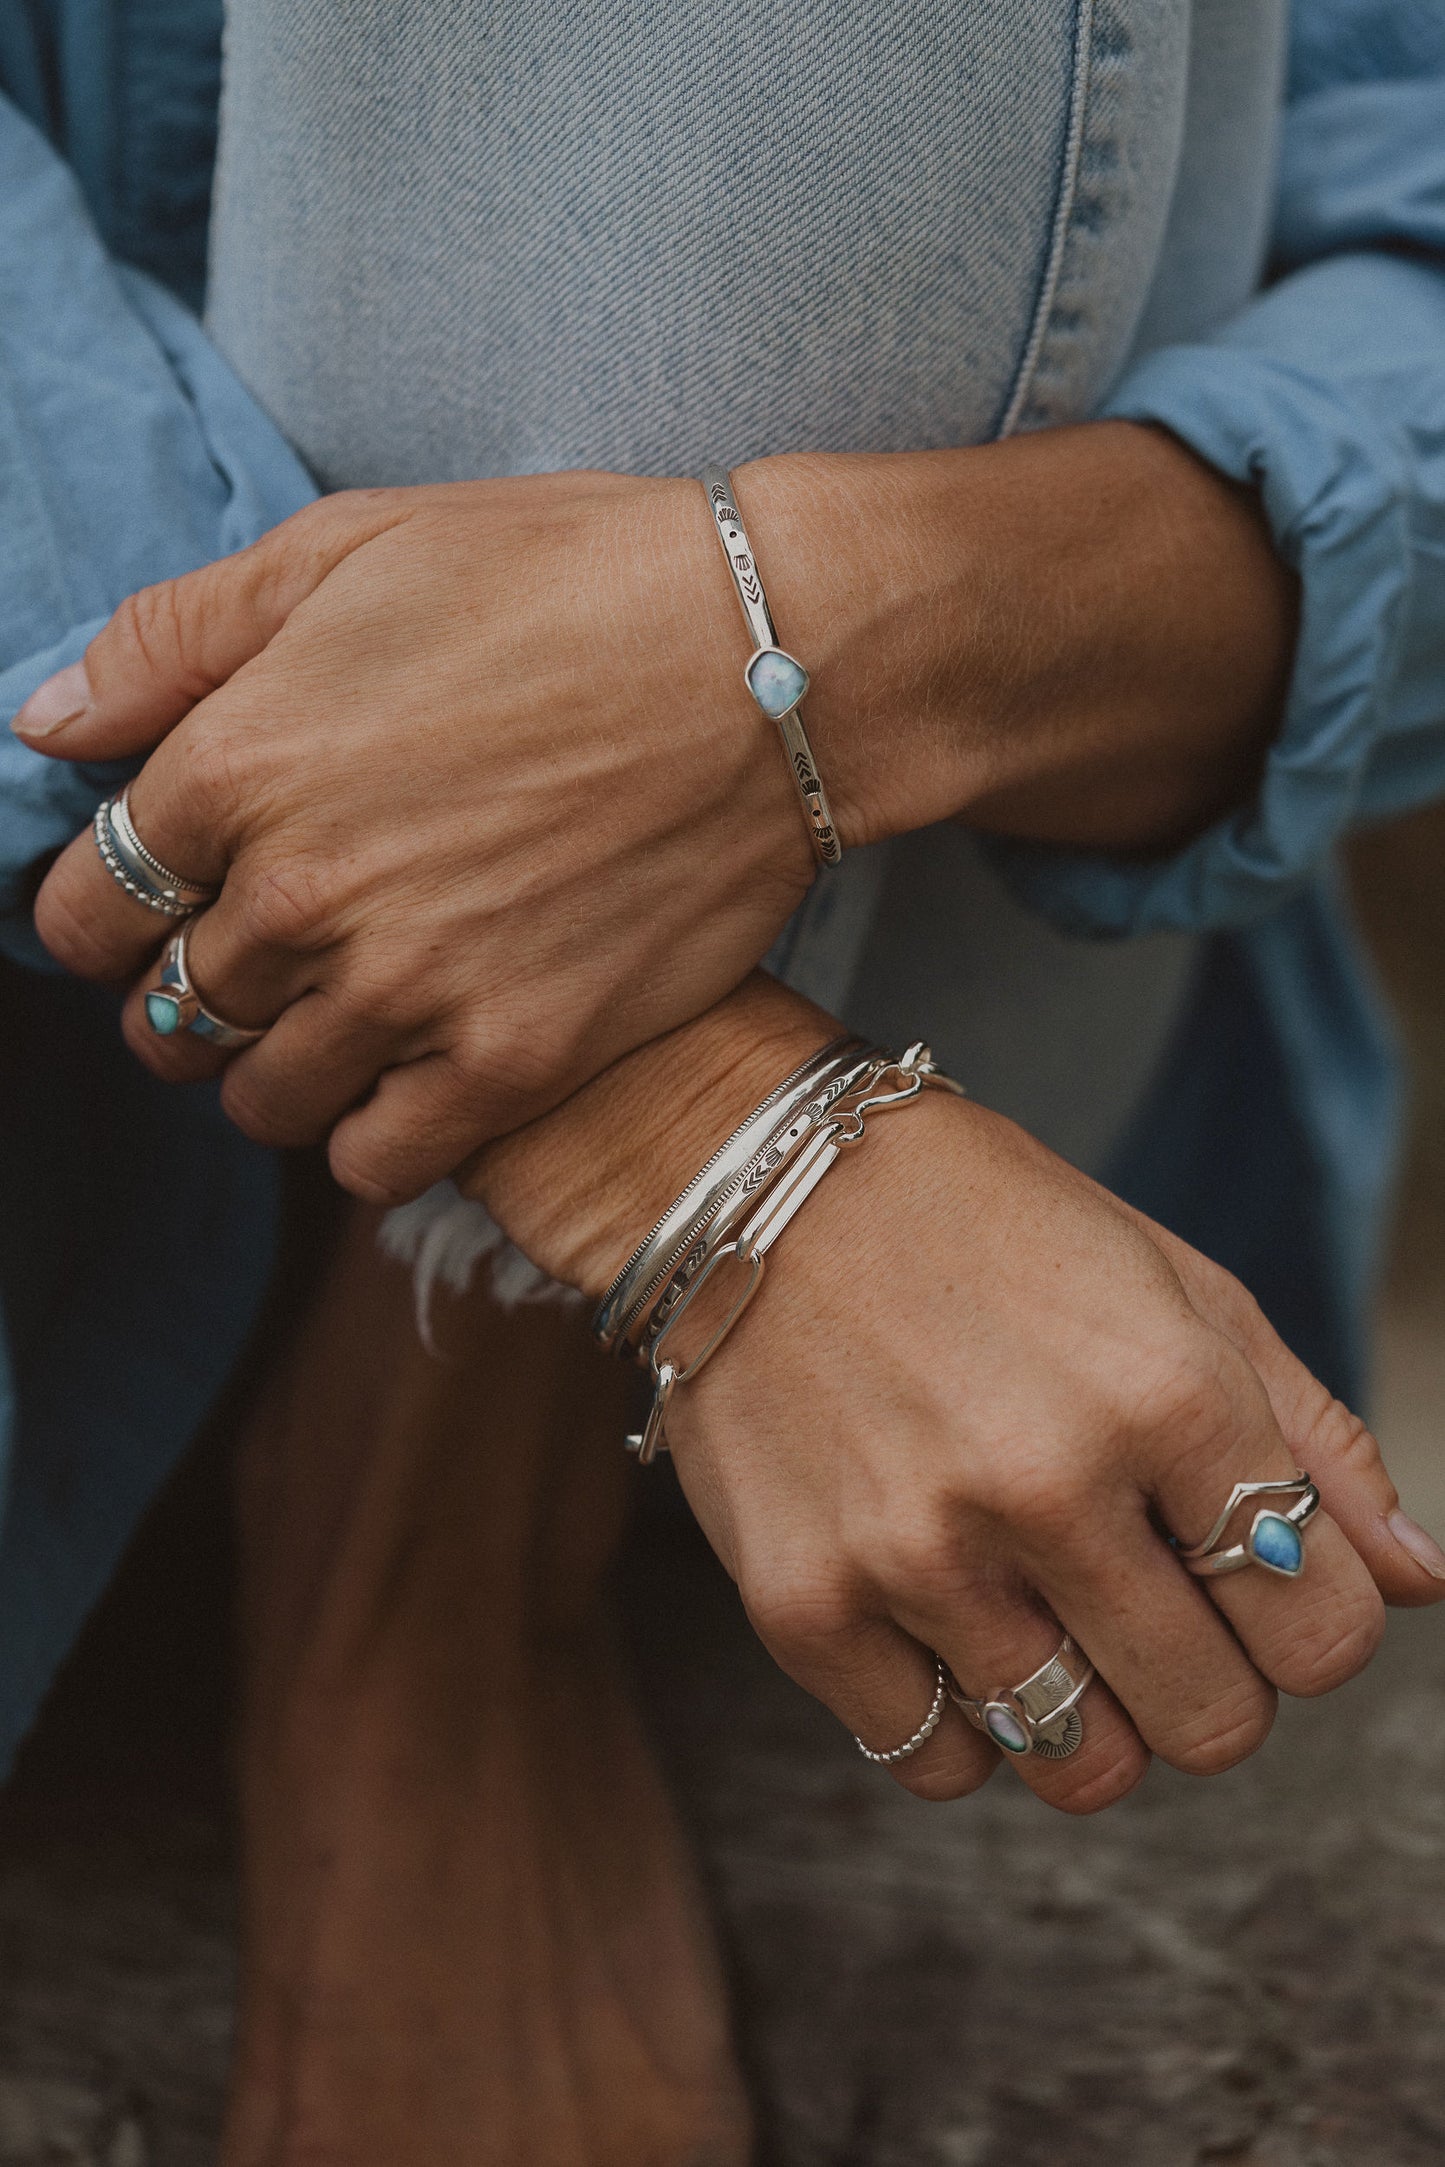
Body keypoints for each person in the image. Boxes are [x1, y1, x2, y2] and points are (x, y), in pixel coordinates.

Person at [3, 1, 1445, 2159]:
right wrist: (705, 1135)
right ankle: (428, 1561)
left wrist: (871, 630)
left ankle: (452, 1473)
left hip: (978, 934)